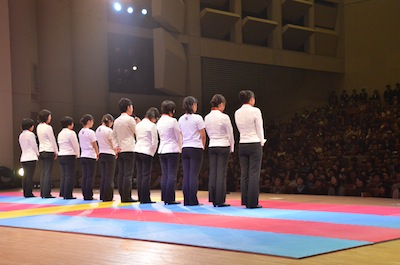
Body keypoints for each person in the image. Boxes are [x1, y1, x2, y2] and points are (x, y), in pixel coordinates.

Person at [234, 90, 266, 209]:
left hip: (242, 143)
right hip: (254, 142)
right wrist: (262, 141)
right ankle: (252, 202)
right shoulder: (255, 111)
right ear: (251, 99)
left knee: (244, 173)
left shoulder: (237, 112)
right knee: (254, 173)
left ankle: (245, 199)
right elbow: (259, 128)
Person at [204, 94, 234, 207]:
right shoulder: (224, 117)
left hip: (212, 145)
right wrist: (232, 147)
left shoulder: (206, 117)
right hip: (223, 145)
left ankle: (213, 198)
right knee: (221, 173)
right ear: (221, 104)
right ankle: (220, 199)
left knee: (213, 172)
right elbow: (230, 133)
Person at [178, 96, 206, 206]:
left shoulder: (180, 119)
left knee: (186, 174)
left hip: (185, 147)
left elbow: (180, 135)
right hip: (195, 147)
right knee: (193, 175)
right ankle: (193, 200)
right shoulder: (198, 118)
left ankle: (186, 200)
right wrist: (202, 146)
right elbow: (203, 135)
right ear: (193, 105)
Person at [113, 98, 139, 203]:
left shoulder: (117, 120)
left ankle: (122, 195)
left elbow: (113, 135)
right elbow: (137, 131)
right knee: (128, 174)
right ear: (128, 107)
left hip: (120, 149)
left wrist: (116, 147)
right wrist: (138, 123)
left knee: (121, 173)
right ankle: (126, 196)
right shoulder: (130, 119)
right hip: (129, 148)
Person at [157, 100, 182, 205]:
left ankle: (164, 197)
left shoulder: (159, 121)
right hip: (172, 149)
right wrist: (180, 148)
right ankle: (170, 198)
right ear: (172, 110)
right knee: (172, 174)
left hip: (162, 149)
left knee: (165, 174)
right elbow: (178, 136)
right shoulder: (173, 121)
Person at [134, 107, 159, 204]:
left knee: (139, 174)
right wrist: (152, 152)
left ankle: (140, 196)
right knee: (146, 175)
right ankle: (145, 198)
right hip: (146, 150)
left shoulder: (138, 125)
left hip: (137, 149)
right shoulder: (152, 125)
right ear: (153, 117)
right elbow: (154, 141)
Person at [96, 114, 119, 202]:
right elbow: (112, 142)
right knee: (109, 176)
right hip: (109, 154)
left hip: (101, 153)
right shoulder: (109, 130)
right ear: (109, 121)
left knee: (104, 176)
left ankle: (102, 195)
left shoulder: (97, 130)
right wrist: (116, 151)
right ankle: (108, 196)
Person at [36, 109, 58, 198]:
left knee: (44, 172)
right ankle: (47, 193)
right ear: (46, 117)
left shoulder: (38, 126)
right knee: (48, 172)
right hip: (49, 150)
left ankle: (42, 192)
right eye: (49, 116)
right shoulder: (48, 127)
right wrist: (56, 151)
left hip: (41, 150)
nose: (50, 118)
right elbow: (52, 140)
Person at [57, 116, 80, 199]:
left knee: (63, 174)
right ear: (70, 124)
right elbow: (75, 144)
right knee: (70, 175)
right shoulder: (71, 133)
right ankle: (68, 194)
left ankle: (62, 192)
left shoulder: (60, 133)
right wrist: (78, 154)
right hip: (69, 154)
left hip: (61, 154)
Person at [78, 114, 99, 200]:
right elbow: (94, 144)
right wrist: (97, 153)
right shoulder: (91, 132)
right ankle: (89, 195)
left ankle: (84, 194)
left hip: (83, 154)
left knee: (85, 176)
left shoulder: (80, 132)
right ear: (89, 121)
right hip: (90, 155)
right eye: (92, 121)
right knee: (90, 176)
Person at [19, 118, 39, 198]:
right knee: (30, 176)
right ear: (30, 126)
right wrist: (37, 154)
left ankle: (25, 192)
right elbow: (34, 145)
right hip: (31, 157)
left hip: (24, 157)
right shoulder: (30, 134)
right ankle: (29, 193)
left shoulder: (21, 135)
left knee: (25, 176)